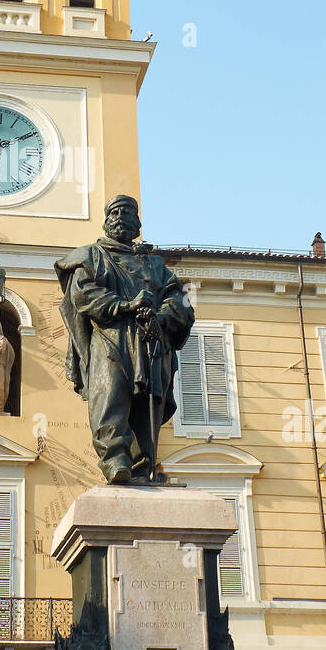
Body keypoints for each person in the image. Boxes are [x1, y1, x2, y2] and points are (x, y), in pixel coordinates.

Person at [55, 195, 194, 483]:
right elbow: (83, 294)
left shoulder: (156, 266)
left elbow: (179, 299)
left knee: (148, 403)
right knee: (110, 395)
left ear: (138, 224)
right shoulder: (91, 256)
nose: (122, 218)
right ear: (106, 222)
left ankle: (143, 465)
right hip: (111, 336)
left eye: (129, 213)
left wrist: (161, 315)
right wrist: (126, 306)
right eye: (116, 213)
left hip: (151, 341)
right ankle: (115, 458)